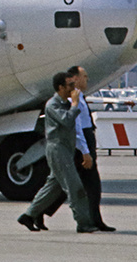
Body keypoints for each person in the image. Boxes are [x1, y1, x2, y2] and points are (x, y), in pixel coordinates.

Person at [17, 71, 98, 233]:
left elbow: (77, 128)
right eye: (69, 85)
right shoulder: (53, 105)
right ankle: (84, 223)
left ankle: (29, 215)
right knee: (75, 188)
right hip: (57, 149)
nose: (73, 88)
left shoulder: (66, 103)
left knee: (53, 187)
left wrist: (84, 151)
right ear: (60, 87)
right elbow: (67, 121)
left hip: (67, 148)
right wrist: (75, 105)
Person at [41, 65, 114, 231]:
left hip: (85, 139)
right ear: (75, 78)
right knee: (85, 184)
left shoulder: (79, 96)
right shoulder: (70, 100)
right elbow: (77, 126)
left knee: (66, 184)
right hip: (79, 143)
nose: (87, 79)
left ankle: (39, 212)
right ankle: (90, 220)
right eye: (84, 76)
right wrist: (85, 151)